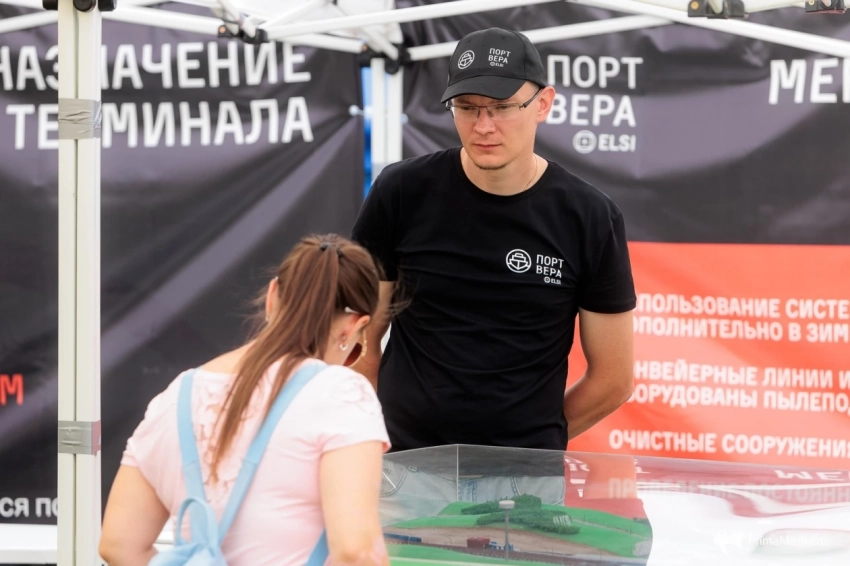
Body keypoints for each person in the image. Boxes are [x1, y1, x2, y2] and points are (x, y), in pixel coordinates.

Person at [351, 27, 636, 454]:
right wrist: (373, 438)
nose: (484, 126)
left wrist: (530, 446)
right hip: (406, 463)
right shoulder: (402, 191)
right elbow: (359, 340)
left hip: (524, 477)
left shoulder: (590, 216)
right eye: (467, 107)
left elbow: (613, 380)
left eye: (502, 107)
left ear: (543, 104)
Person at [100, 234, 392, 566]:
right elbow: (357, 552)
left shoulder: (178, 395)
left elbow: (118, 544)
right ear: (354, 326)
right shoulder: (342, 394)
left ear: (272, 295)